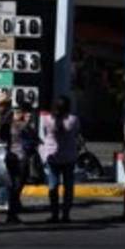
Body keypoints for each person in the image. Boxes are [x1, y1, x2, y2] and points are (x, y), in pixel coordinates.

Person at [40, 95, 80, 224]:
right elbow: (76, 134)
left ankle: (54, 214)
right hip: (69, 156)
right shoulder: (73, 120)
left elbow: (44, 134)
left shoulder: (46, 119)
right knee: (68, 187)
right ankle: (66, 214)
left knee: (53, 186)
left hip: (52, 156)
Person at [0, 91, 23, 223]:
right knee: (13, 183)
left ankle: (12, 211)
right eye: (5, 104)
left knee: (13, 183)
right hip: (4, 153)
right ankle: (11, 212)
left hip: (7, 152)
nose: (7, 107)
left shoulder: (3, 115)